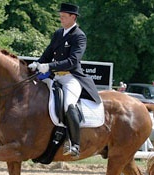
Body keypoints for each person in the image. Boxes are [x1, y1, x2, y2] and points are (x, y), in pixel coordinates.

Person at [28, 3, 101, 157]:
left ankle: (75, 144)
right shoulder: (58, 33)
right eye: (60, 15)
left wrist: (48, 66)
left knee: (68, 105)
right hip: (55, 78)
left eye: (63, 16)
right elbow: (47, 54)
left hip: (70, 78)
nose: (60, 18)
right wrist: (37, 64)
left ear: (73, 17)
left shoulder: (79, 36)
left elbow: (73, 61)